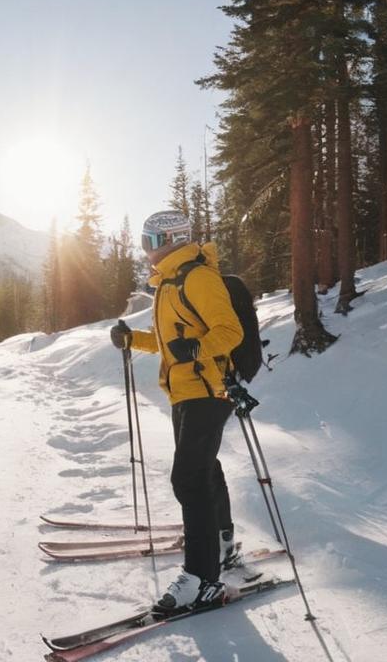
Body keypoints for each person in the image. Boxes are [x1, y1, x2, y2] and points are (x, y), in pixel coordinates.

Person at [109, 209, 243, 615]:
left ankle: (201, 579)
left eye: (150, 241)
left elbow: (229, 331)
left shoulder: (198, 278)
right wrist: (134, 338)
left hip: (208, 390)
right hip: (183, 392)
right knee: (204, 470)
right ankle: (222, 544)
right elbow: (173, 344)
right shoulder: (168, 284)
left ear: (173, 239)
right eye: (143, 240)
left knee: (188, 479)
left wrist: (198, 350)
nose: (144, 249)